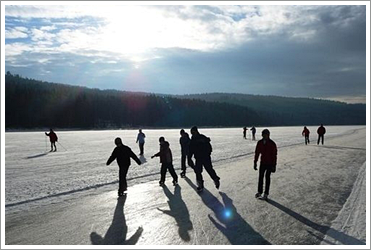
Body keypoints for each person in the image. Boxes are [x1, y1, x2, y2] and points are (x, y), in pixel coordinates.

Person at [189, 126, 220, 192]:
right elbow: (191, 150)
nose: (193, 134)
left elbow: (209, 147)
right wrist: (189, 157)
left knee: (209, 169)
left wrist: (208, 153)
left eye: (193, 132)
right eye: (192, 133)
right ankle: (200, 185)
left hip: (205, 157)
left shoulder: (202, 138)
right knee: (198, 171)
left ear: (196, 131)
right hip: (198, 158)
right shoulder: (192, 140)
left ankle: (215, 179)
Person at [253, 129, 277, 201]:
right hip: (263, 162)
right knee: (260, 177)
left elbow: (274, 155)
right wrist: (255, 162)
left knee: (267, 177)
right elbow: (257, 153)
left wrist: (274, 165)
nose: (264, 136)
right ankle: (259, 192)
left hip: (270, 163)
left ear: (268, 135)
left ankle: (266, 193)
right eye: (263, 134)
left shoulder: (272, 143)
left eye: (266, 134)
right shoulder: (260, 143)